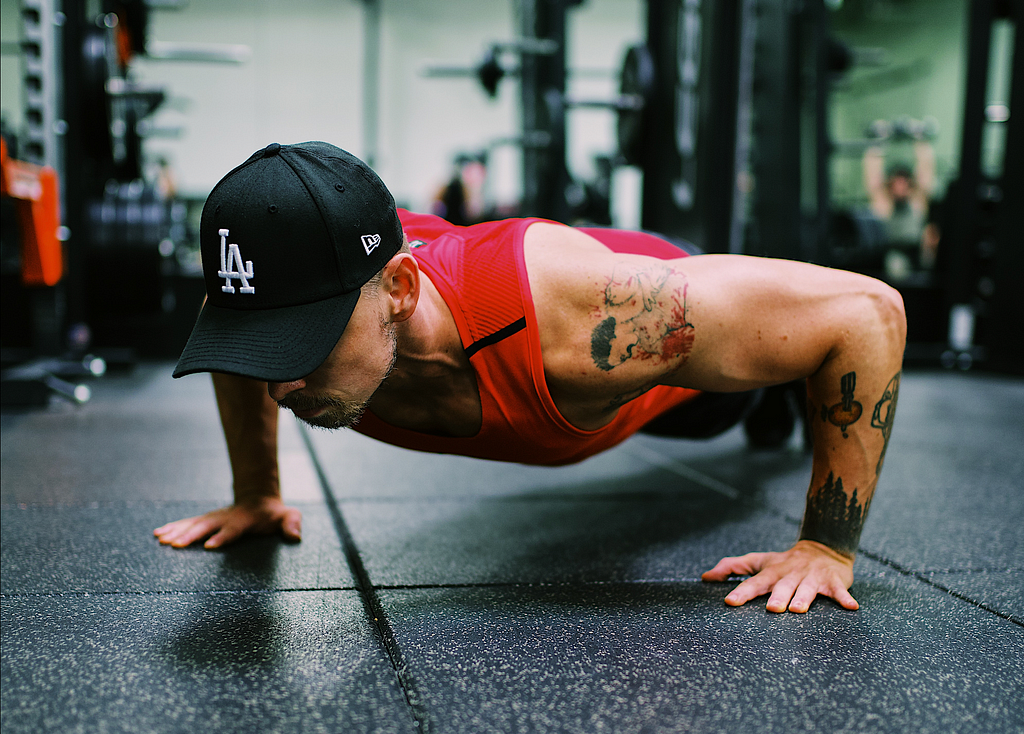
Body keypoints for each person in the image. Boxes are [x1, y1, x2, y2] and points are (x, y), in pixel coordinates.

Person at [156, 142, 906, 615]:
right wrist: (257, 491)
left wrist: (826, 549)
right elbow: (233, 328)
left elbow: (868, 313)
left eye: (304, 345)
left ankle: (775, 392)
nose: (280, 385)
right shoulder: (301, 298)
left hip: (664, 354)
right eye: (262, 347)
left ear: (401, 291)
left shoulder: (587, 328)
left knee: (742, 393)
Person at [862, 127, 938, 276]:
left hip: (919, 255)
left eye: (904, 183)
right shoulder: (885, 204)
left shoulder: (917, 202)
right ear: (890, 184)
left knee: (932, 235)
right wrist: (877, 143)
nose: (900, 187)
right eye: (897, 183)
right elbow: (872, 179)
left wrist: (921, 141)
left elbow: (926, 172)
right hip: (892, 256)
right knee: (895, 264)